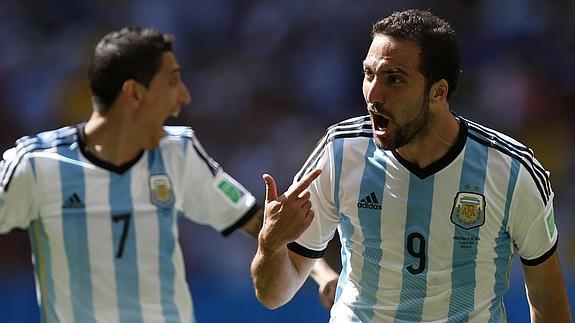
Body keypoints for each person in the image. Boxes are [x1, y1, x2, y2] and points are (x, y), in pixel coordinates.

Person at [251, 9, 572, 322]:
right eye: (368, 75)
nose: (373, 94)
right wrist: (270, 246)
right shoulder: (340, 152)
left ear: (438, 92)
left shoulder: (512, 171)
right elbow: (274, 295)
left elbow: (545, 297)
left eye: (394, 79)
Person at [0, 26, 337, 322]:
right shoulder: (36, 164)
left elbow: (258, 222)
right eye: (173, 81)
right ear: (133, 94)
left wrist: (321, 274)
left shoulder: (178, 153)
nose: (184, 97)